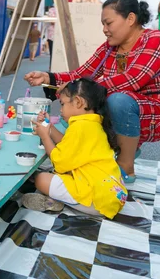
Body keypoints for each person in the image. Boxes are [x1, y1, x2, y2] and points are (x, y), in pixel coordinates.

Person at [25, 0, 160, 183]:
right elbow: (82, 74)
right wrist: (48, 76)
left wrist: (79, 86)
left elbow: (133, 79)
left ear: (130, 18)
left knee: (112, 100)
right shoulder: (109, 48)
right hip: (129, 106)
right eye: (103, 25)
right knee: (78, 104)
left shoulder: (157, 39)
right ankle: (93, 155)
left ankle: (125, 166)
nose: (105, 30)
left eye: (109, 23)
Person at [23, 78, 127, 218]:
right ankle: (59, 201)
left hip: (95, 202)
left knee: (41, 179)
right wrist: (49, 126)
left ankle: (57, 202)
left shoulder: (80, 127)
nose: (60, 110)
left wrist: (45, 137)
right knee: (55, 175)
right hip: (111, 196)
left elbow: (59, 163)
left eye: (63, 104)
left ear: (78, 102)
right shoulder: (92, 124)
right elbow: (67, 145)